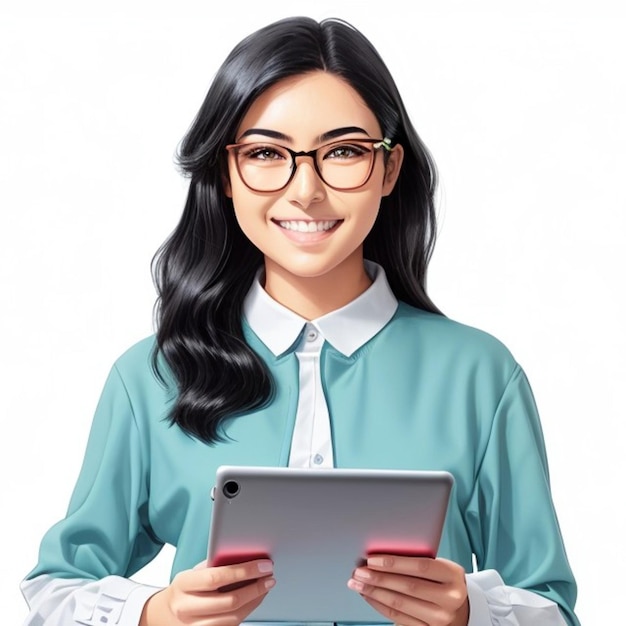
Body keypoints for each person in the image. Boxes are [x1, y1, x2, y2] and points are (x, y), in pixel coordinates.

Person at [21, 15, 580, 626]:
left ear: (389, 170)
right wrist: (155, 614)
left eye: (344, 152)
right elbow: (54, 590)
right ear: (227, 175)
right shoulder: (151, 375)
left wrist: (471, 612)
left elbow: (551, 606)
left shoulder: (482, 376)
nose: (305, 190)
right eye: (266, 153)